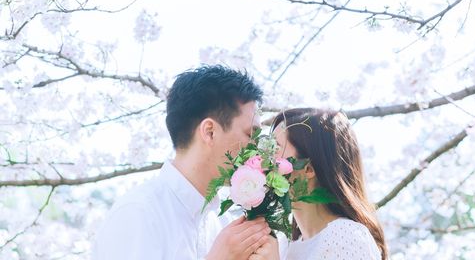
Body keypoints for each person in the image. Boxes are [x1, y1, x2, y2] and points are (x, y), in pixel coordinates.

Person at [93, 65, 271, 260]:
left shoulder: (222, 223)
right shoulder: (138, 213)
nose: (257, 149)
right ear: (210, 132)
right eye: (250, 135)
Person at [258, 108, 388, 260]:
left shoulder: (346, 237)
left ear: (308, 169)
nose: (263, 158)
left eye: (275, 148)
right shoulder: (285, 246)